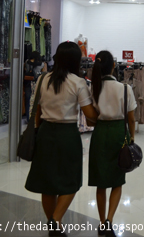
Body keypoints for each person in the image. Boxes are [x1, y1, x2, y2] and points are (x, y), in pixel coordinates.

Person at [25, 42, 98, 236]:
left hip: (45, 132)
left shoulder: (43, 79)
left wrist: (38, 132)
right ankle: (56, 221)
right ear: (75, 61)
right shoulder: (78, 82)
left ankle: (53, 224)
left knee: (47, 183)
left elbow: (37, 111)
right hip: (67, 135)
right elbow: (90, 115)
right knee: (71, 180)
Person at [88, 50, 136, 236]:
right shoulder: (124, 88)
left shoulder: (94, 88)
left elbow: (91, 116)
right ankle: (109, 220)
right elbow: (131, 118)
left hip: (100, 133)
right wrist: (132, 137)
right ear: (114, 66)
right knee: (117, 180)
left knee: (101, 182)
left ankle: (101, 223)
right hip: (118, 133)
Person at [23, 51, 46, 122]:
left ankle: (28, 118)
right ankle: (36, 118)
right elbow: (44, 73)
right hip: (37, 83)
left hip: (28, 82)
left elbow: (24, 70)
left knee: (28, 101)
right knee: (37, 101)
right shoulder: (42, 64)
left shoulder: (27, 62)